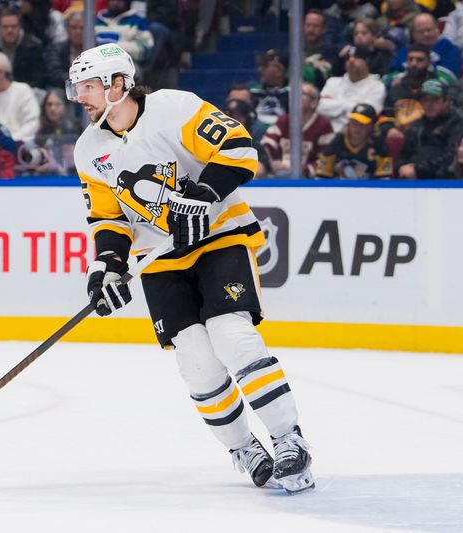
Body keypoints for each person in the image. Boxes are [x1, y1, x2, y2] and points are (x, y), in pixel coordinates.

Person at [67, 43, 314, 493]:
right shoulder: (89, 149)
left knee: (231, 334)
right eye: (77, 88)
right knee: (196, 360)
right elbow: (108, 217)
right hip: (159, 257)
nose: (79, 97)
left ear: (118, 85)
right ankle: (245, 448)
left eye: (88, 87)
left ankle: (289, 440)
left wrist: (200, 198)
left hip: (219, 236)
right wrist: (106, 265)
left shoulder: (174, 108)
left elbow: (238, 148)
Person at [261, 82, 334, 177]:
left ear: (314, 103)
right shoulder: (283, 121)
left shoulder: (324, 125)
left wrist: (302, 169)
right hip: (279, 174)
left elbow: (325, 159)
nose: (295, 97)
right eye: (293, 93)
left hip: (309, 180)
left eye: (301, 93)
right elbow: (266, 146)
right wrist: (274, 164)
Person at [396, 79, 463, 179]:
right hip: (413, 179)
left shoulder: (456, 123)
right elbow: (404, 153)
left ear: (446, 101)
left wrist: (419, 169)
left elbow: (451, 155)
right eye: (426, 99)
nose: (429, 104)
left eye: (435, 99)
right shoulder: (416, 125)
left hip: (444, 181)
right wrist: (401, 167)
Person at [0, 7, 46, 89]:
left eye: (13, 26)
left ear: (20, 27)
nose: (9, 30)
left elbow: (39, 79)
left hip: (24, 91)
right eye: (5, 27)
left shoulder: (33, 46)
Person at [316, 45, 386, 131]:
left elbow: (368, 114)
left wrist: (334, 103)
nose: (351, 60)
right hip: (327, 132)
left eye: (357, 57)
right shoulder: (332, 82)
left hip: (357, 134)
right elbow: (319, 107)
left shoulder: (377, 86)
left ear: (367, 62)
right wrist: (354, 106)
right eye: (348, 57)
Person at [316, 103, 393, 178]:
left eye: (362, 124)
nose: (357, 128)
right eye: (354, 123)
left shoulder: (379, 145)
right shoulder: (337, 141)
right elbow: (322, 174)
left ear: (372, 126)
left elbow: (384, 180)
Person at [0, 51, 39, 143]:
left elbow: (33, 123)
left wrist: (12, 141)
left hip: (22, 143)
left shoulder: (22, 90)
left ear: (2, 73)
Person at [23, 87, 80, 175]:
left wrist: (56, 167)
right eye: (49, 104)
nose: (52, 108)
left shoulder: (74, 133)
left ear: (65, 106)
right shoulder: (39, 132)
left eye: (57, 104)